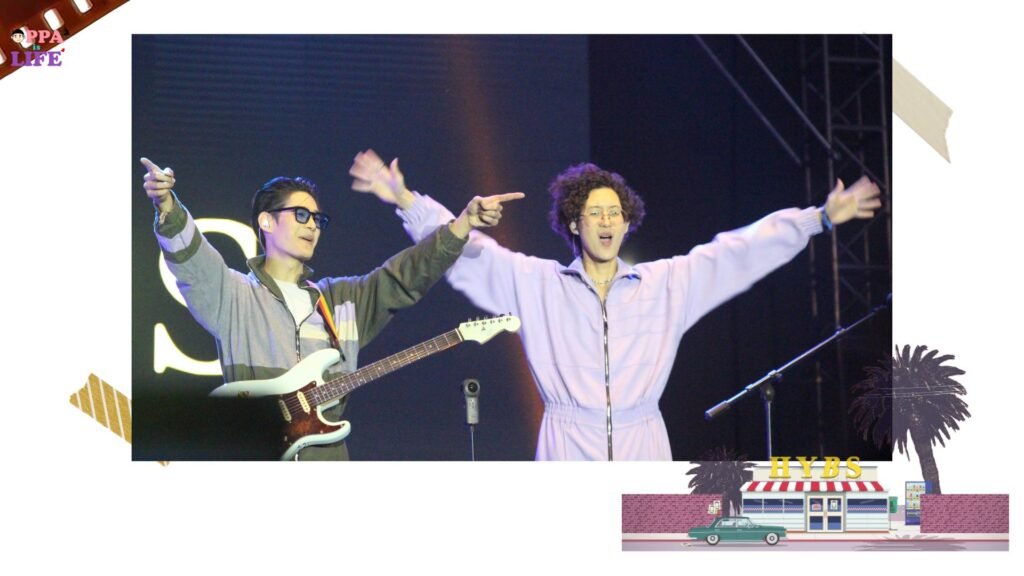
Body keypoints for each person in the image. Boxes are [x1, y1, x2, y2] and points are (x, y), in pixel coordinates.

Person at [349, 150, 882, 461]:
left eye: (615, 213)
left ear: (627, 223)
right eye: (594, 212)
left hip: (643, 442)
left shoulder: (665, 284)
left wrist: (817, 219)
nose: (606, 221)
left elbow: (736, 252)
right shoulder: (538, 284)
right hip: (566, 443)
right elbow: (471, 254)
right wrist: (405, 199)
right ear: (573, 222)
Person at [142, 157, 522, 460]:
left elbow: (403, 277)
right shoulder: (236, 296)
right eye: (301, 215)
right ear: (266, 221)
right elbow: (193, 262)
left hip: (327, 459)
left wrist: (463, 224)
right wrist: (167, 205)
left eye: (318, 219)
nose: (312, 226)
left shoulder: (341, 300)